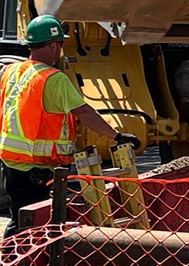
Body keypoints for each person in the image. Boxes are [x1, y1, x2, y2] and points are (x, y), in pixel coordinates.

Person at [0, 16, 129, 221]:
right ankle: (16, 253)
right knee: (32, 223)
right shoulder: (54, 78)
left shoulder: (12, 71)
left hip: (12, 162)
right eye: (60, 44)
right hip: (37, 166)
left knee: (20, 216)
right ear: (53, 45)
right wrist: (116, 135)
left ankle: (12, 252)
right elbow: (85, 113)